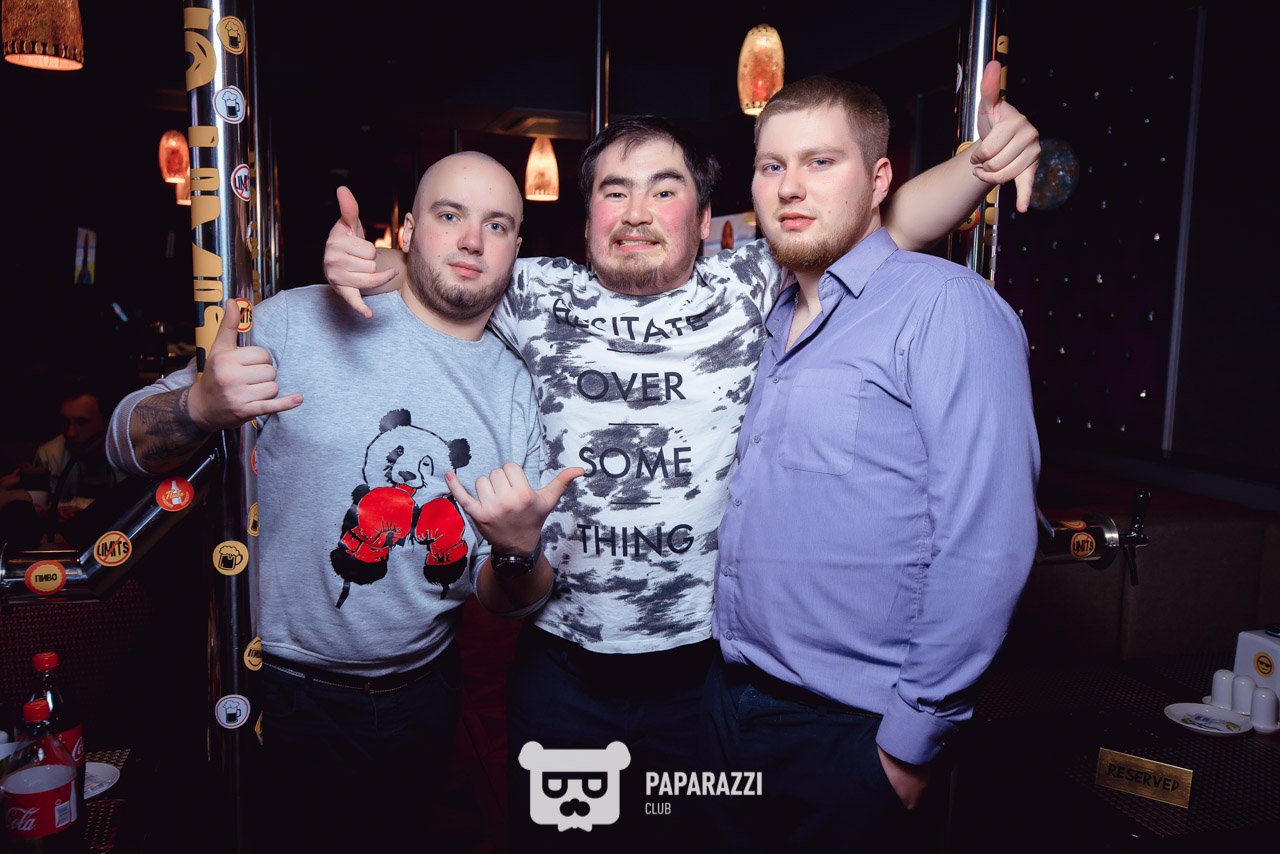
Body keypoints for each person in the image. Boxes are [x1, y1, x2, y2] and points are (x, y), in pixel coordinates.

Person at [323, 61, 1040, 845]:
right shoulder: (533, 292)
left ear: (704, 220)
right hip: (564, 671)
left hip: (707, 682)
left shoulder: (751, 280)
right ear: (586, 218)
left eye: (663, 191)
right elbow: (441, 272)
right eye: (614, 192)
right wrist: (366, 263)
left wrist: (981, 164)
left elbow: (887, 221)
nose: (636, 212)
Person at [105, 152, 580, 853]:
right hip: (267, 686)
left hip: (420, 697)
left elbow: (508, 597)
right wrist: (199, 406)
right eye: (450, 215)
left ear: (517, 246)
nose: (471, 240)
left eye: (496, 224)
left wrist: (514, 552)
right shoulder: (297, 321)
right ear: (409, 229)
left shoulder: (518, 387)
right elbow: (122, 441)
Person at [704, 75, 1040, 848]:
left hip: (851, 728)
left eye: (821, 162)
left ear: (880, 178)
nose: (790, 187)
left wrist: (908, 745)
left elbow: (988, 543)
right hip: (728, 703)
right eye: (772, 166)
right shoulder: (766, 312)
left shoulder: (945, 306)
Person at [0, 380, 124, 547]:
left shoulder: (127, 456)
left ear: (108, 421)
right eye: (65, 422)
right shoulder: (50, 455)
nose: (70, 433)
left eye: (81, 422)